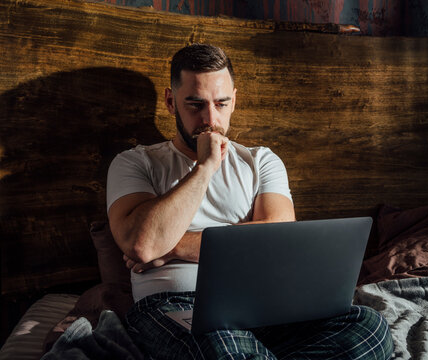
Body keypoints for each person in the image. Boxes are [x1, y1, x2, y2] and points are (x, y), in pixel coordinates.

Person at [107, 43, 393, 359]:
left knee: (369, 328)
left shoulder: (260, 161)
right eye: (195, 104)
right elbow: (142, 245)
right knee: (224, 346)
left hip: (264, 306)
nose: (210, 118)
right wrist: (205, 167)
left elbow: (278, 239)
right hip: (175, 305)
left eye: (221, 103)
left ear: (235, 101)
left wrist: (173, 247)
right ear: (171, 102)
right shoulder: (136, 162)